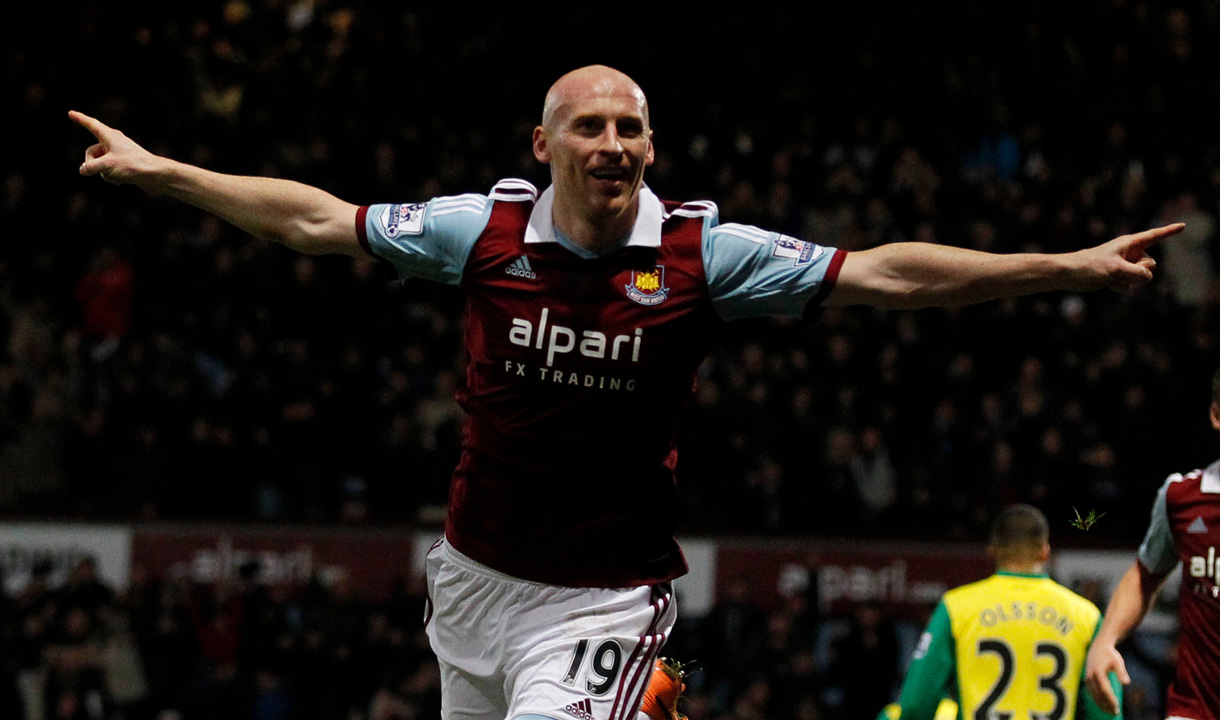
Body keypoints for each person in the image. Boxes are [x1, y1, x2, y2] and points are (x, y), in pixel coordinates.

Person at [72, 65, 1180, 720]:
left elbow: (883, 273)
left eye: (630, 127)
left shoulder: (704, 254)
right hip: (468, 583)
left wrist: (1065, 265)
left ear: (651, 146)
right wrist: (158, 169)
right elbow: (315, 221)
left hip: (602, 597)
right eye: (590, 126)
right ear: (544, 142)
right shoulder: (482, 230)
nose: (614, 143)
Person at [877, 504, 1122, 720]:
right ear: (1045, 551)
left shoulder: (957, 608)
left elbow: (915, 705)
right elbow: (1106, 711)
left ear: (992, 549)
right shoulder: (1085, 615)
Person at [1084, 368, 1220, 720]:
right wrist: (1105, 640)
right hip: (1195, 712)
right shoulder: (1181, 497)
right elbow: (1145, 575)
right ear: (1216, 416)